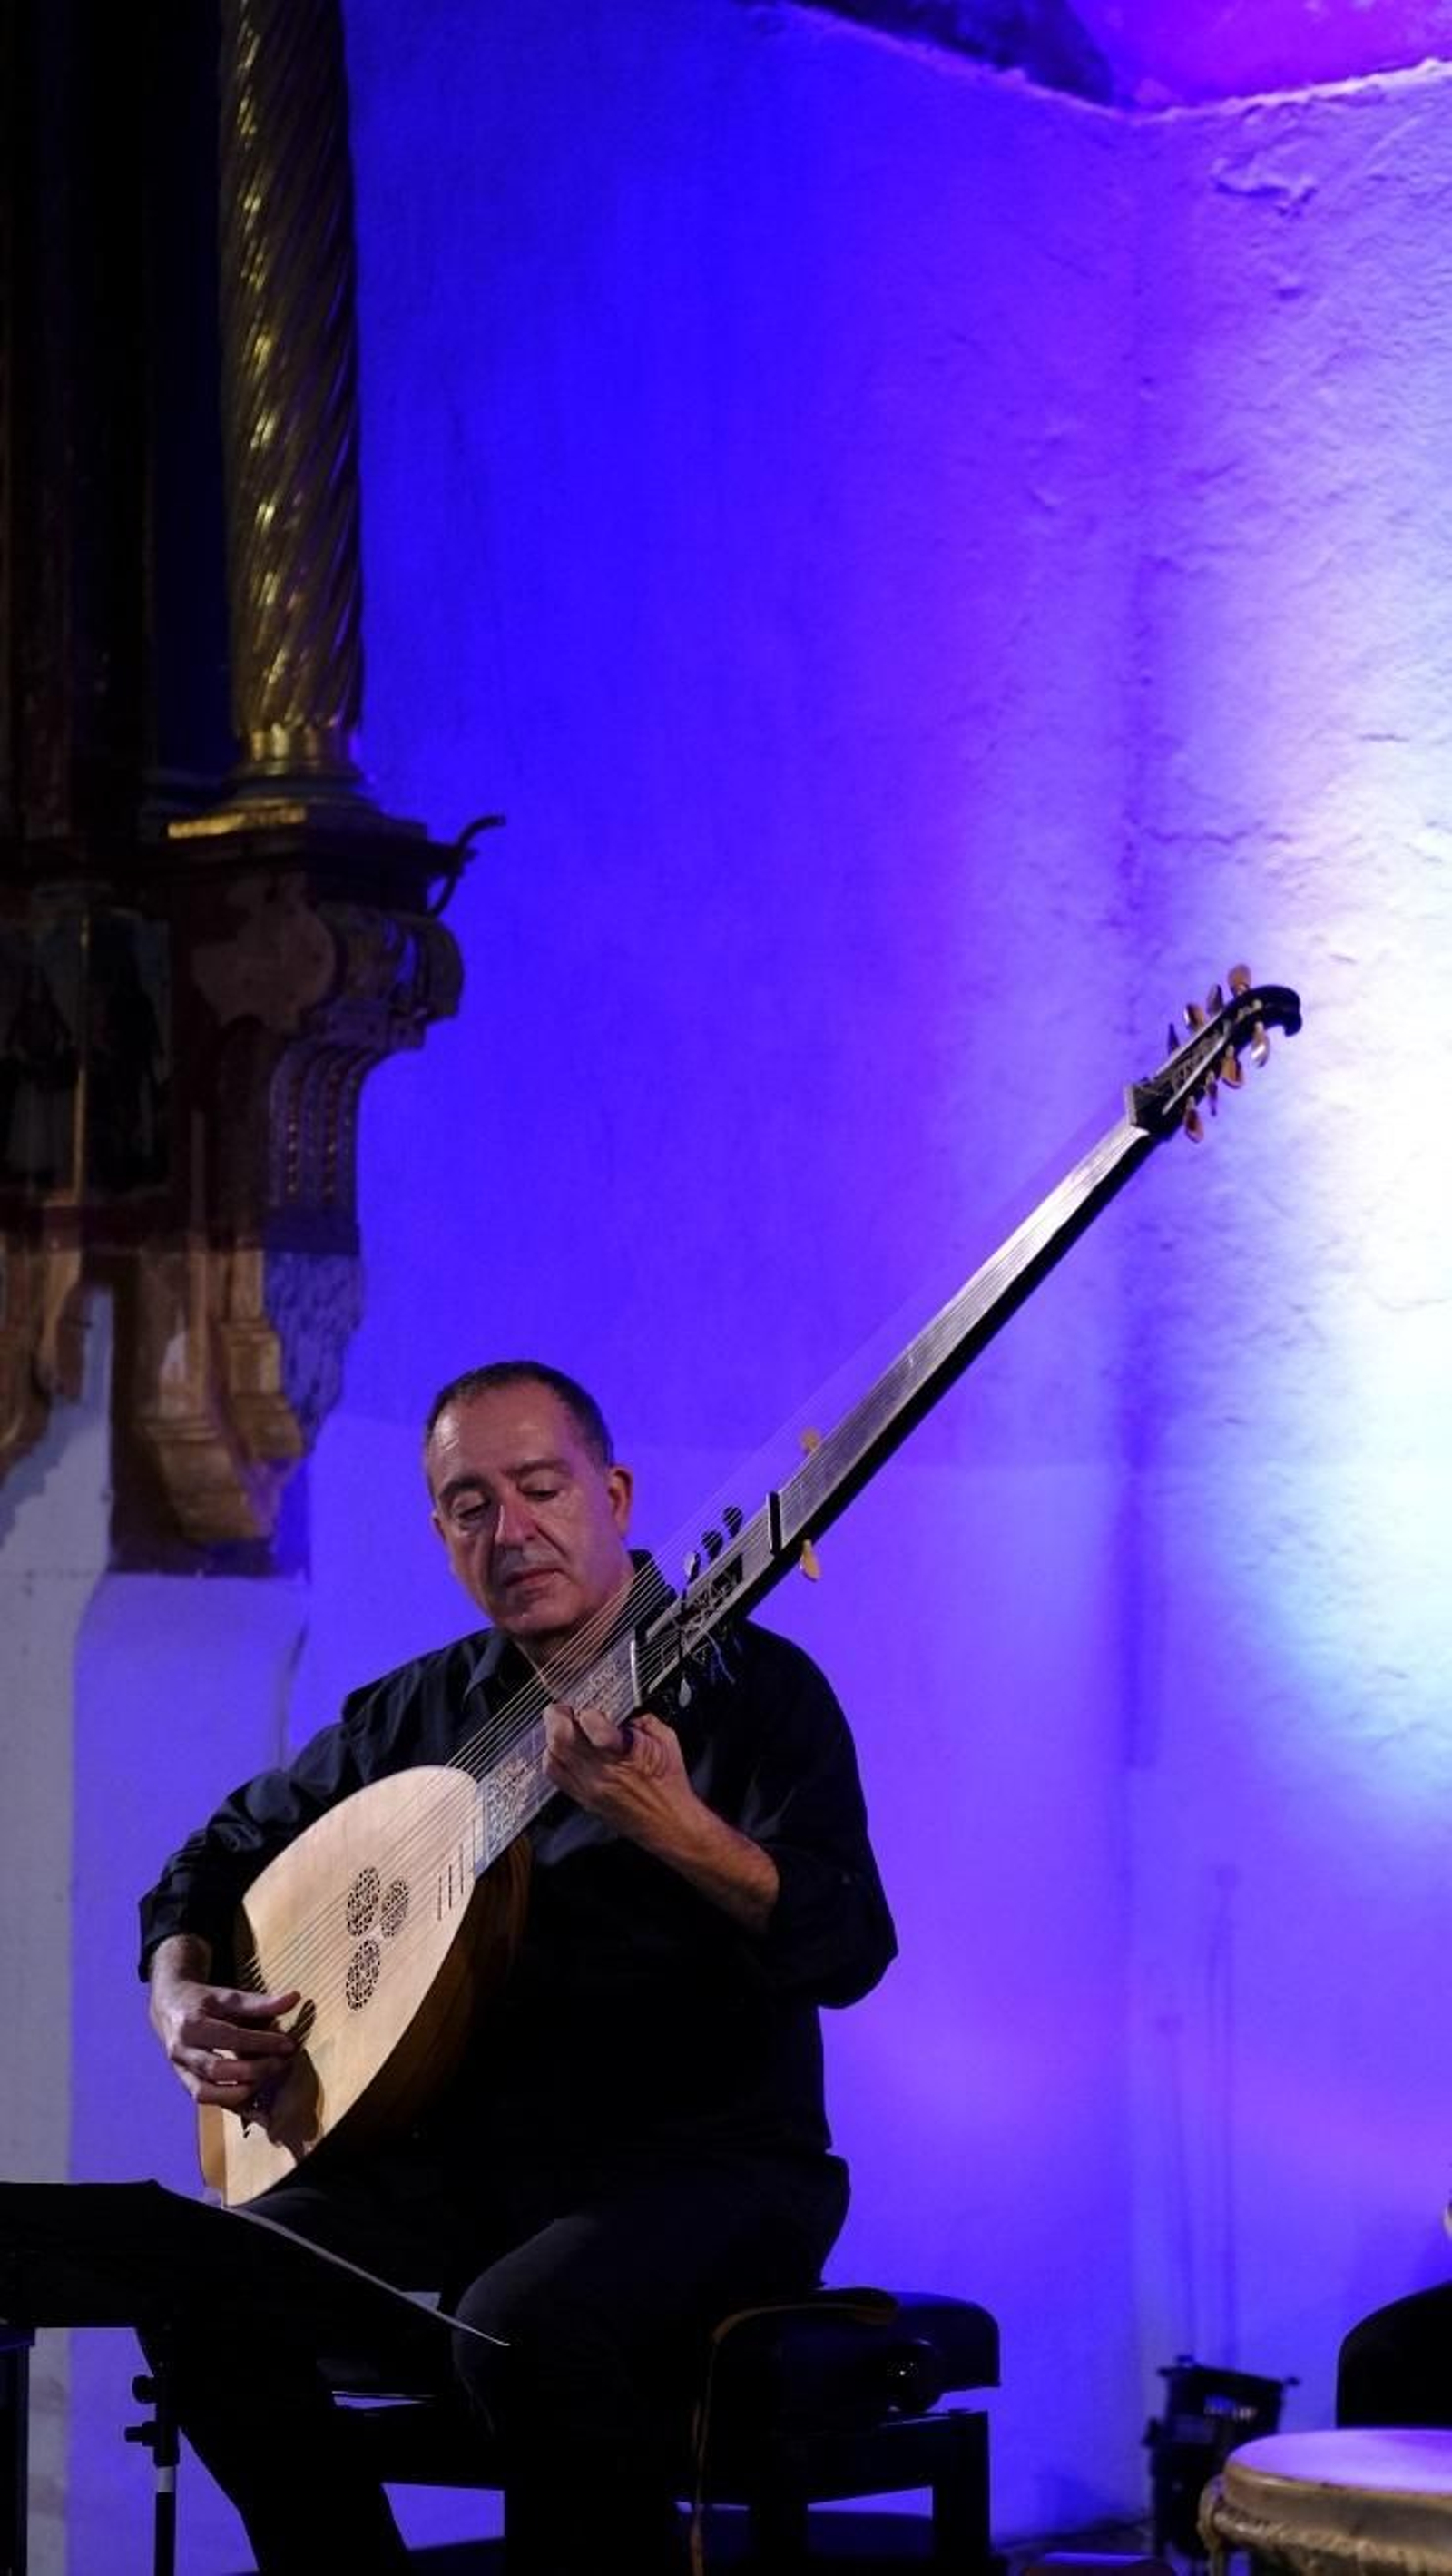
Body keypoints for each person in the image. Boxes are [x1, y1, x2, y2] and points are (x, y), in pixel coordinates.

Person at [141, 1360, 897, 2574]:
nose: (512, 1528)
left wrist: (681, 1829)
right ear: (441, 1532)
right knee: (202, 2284)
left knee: (519, 2324)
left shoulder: (758, 1695)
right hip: (471, 2177)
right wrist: (179, 1994)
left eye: (540, 1487)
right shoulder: (420, 1715)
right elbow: (216, 1857)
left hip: (709, 2173)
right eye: (470, 1502)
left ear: (615, 1493)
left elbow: (851, 1945)